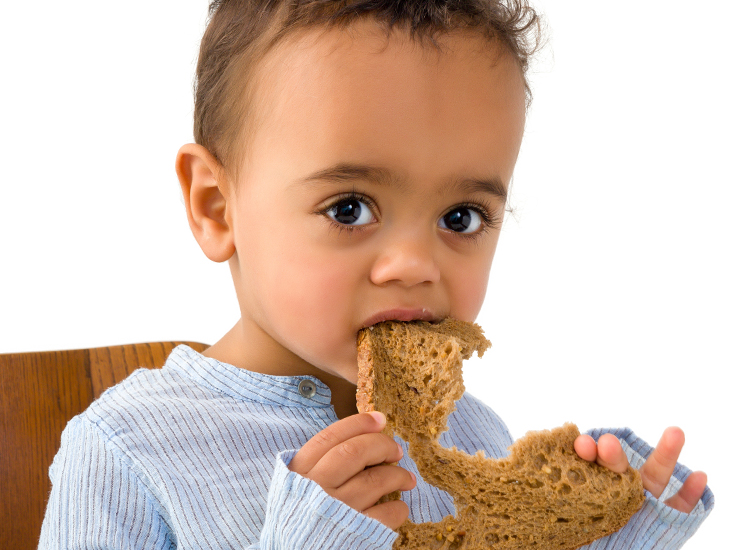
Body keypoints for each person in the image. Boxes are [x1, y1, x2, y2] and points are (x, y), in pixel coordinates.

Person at [39, 1, 713, 548]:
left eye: (461, 217)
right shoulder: (129, 455)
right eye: (349, 208)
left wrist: (603, 531)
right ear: (217, 208)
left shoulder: (472, 435)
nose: (416, 265)